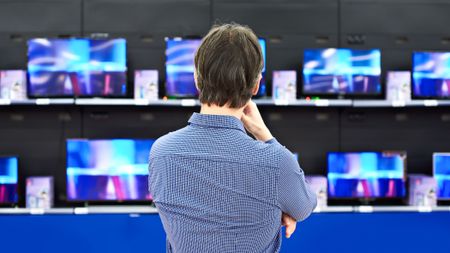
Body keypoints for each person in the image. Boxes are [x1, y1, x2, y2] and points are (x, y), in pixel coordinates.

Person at [149, 23, 317, 253]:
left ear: (197, 80)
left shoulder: (162, 152)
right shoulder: (277, 161)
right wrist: (265, 136)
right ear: (256, 85)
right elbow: (304, 206)